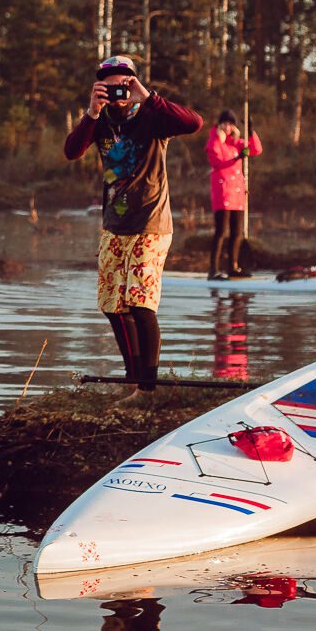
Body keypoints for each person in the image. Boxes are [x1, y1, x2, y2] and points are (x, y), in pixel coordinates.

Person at [64, 55, 203, 391]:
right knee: (112, 305)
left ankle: (147, 388)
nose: (117, 93)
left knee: (140, 304)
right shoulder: (100, 120)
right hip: (114, 224)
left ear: (133, 84)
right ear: (99, 88)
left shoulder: (153, 116)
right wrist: (91, 112)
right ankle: (134, 379)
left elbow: (194, 123)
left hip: (152, 222)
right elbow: (71, 151)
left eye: (123, 85)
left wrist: (149, 97)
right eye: (109, 87)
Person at [205, 109, 263, 278]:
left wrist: (250, 131)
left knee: (237, 233)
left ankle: (233, 267)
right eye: (225, 123)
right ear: (219, 124)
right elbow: (216, 162)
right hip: (223, 192)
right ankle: (213, 269)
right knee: (221, 232)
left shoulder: (236, 143)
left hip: (237, 194)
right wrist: (237, 158)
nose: (228, 127)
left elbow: (256, 149)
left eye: (231, 124)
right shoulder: (215, 141)